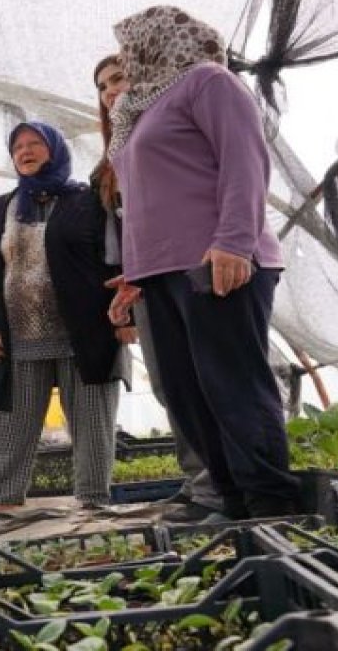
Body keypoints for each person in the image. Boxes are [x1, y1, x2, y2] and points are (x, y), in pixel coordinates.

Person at [106, 6, 299, 519]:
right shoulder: (139, 107)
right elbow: (149, 198)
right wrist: (136, 268)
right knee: (188, 395)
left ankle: (270, 501)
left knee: (231, 384)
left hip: (216, 258)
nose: (126, 55)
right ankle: (231, 502)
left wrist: (235, 242)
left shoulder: (208, 83)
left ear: (161, 39)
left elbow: (245, 160)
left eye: (131, 43)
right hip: (160, 269)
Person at [0, 121, 129, 512]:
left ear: (55, 149)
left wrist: (127, 317)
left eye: (34, 143)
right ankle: (2, 499)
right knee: (8, 419)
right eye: (18, 146)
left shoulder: (88, 201)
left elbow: (115, 258)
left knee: (93, 418)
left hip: (86, 333)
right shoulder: (0, 209)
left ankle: (93, 499)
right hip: (18, 336)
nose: (25, 151)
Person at [92, 53, 223, 523]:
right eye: (103, 87)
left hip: (193, 267)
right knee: (172, 385)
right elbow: (129, 227)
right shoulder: (114, 160)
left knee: (209, 380)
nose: (110, 91)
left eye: (118, 79)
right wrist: (130, 279)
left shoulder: (173, 132)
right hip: (148, 278)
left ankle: (222, 488)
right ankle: (198, 484)